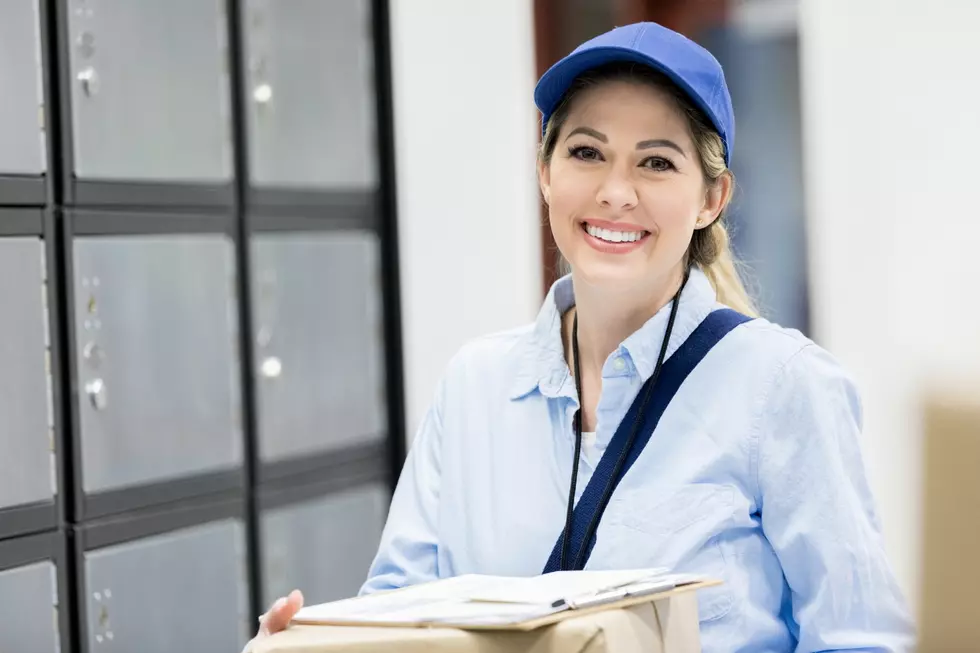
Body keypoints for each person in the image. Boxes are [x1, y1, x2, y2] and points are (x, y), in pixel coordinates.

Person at [250, 21, 915, 652]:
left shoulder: (781, 386)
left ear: (711, 198)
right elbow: (399, 617)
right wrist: (315, 642)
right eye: (586, 152)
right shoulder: (475, 386)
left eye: (656, 163)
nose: (615, 191)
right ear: (545, 171)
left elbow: (859, 636)